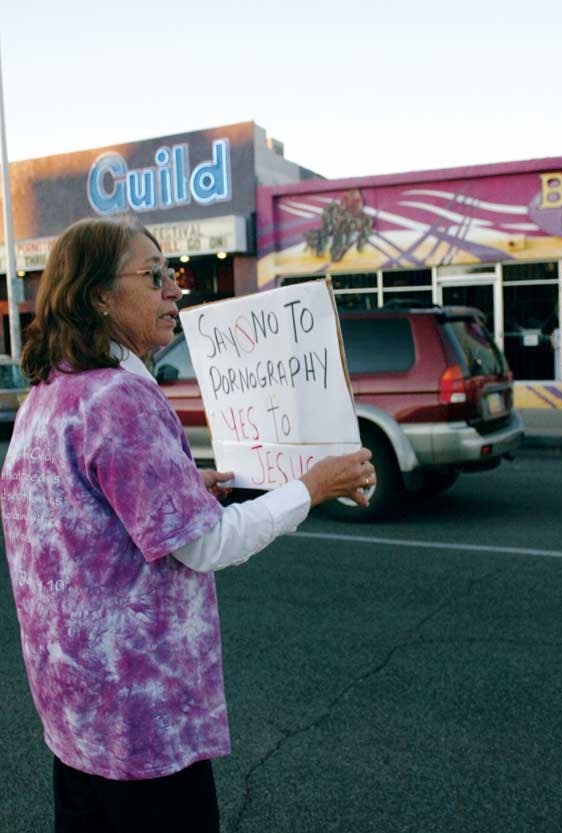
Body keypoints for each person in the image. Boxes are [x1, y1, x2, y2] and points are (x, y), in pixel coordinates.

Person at [0, 217, 375, 833]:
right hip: (141, 728)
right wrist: (312, 488)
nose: (176, 290)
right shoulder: (119, 398)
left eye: (172, 275)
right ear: (98, 294)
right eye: (154, 276)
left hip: (76, 715)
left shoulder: (49, 392)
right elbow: (207, 545)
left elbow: (74, 515)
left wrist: (177, 487)